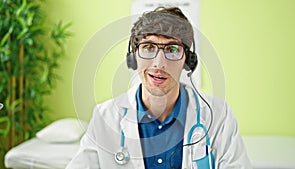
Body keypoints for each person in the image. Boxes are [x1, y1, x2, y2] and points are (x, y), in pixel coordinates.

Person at [67, 7, 252, 169]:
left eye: (172, 50)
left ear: (187, 60)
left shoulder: (219, 116)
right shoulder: (105, 117)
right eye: (148, 47)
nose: (159, 63)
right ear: (133, 57)